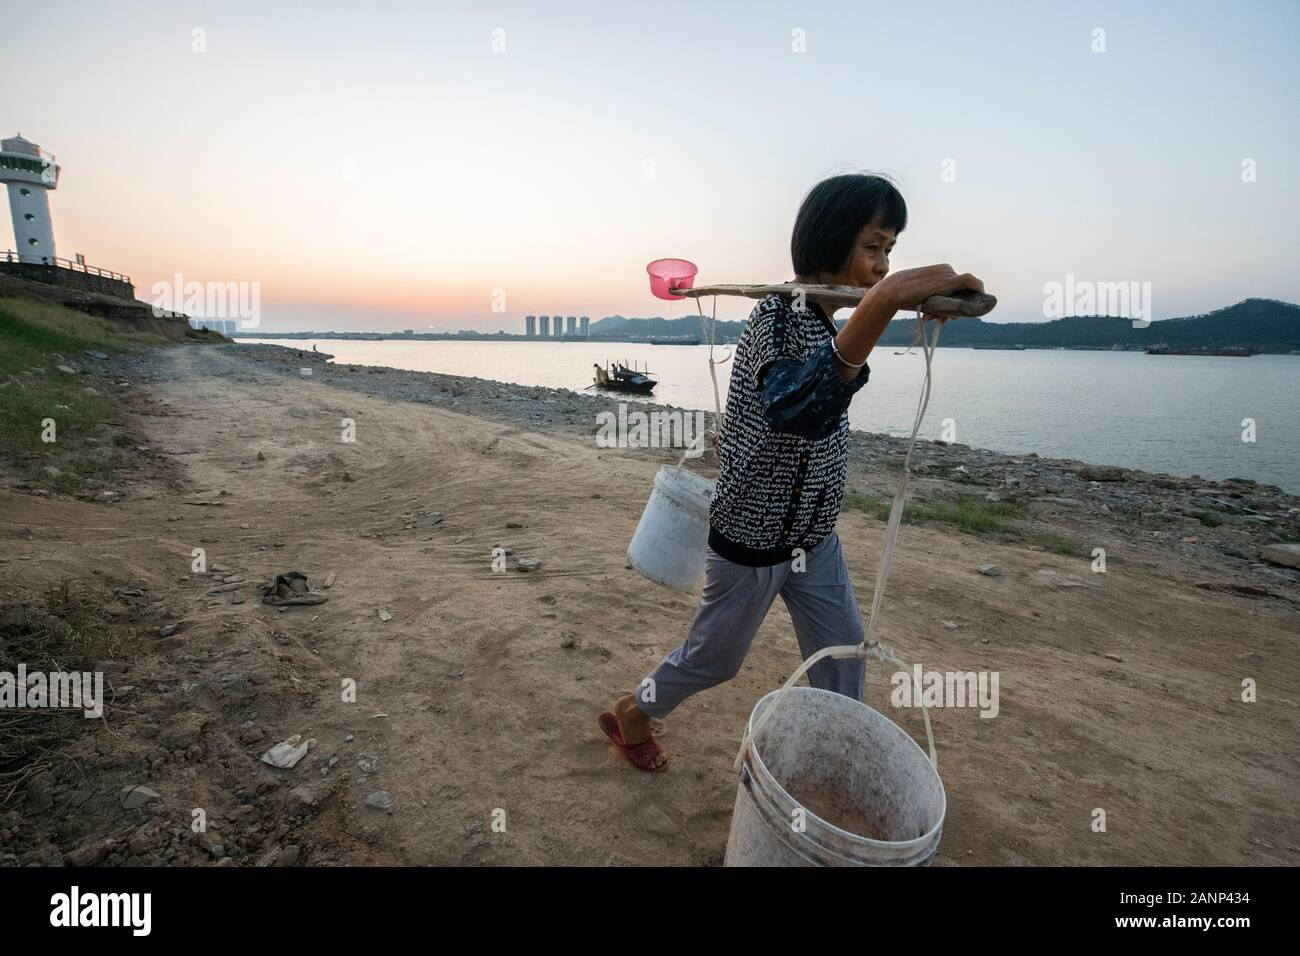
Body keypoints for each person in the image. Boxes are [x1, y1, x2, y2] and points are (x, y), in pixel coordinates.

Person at [599, 172, 984, 771]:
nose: (882, 266)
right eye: (873, 247)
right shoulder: (778, 317)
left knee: (842, 659)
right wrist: (886, 302)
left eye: (890, 252)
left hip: (814, 536)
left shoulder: (826, 320)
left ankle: (829, 769)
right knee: (713, 661)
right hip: (752, 539)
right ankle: (636, 711)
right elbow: (797, 409)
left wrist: (890, 300)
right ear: (829, 242)